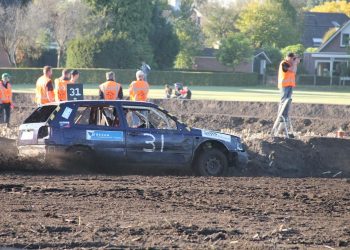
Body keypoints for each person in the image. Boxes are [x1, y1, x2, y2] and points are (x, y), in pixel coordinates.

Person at [277, 52, 300, 122]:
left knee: (288, 102)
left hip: (290, 85)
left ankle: (285, 116)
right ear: (288, 57)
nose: (293, 59)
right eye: (293, 58)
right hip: (284, 85)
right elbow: (292, 70)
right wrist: (295, 63)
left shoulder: (291, 64)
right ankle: (280, 116)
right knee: (283, 101)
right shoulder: (283, 63)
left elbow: (294, 72)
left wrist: (295, 63)